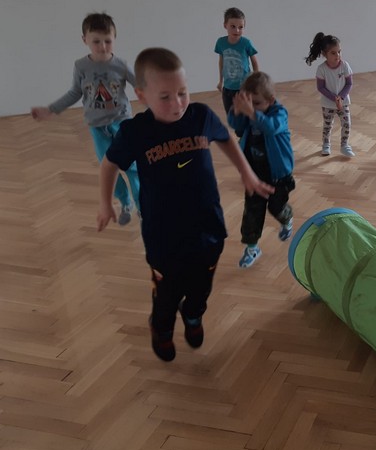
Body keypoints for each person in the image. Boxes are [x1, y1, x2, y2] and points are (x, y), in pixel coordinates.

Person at [96, 48, 274, 362]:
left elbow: (225, 137)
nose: (177, 103)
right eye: (165, 97)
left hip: (208, 227)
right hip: (163, 236)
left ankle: (193, 314)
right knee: (167, 292)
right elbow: (109, 164)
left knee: (201, 286)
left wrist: (246, 172)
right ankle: (161, 328)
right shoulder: (136, 132)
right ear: (142, 96)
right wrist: (105, 203)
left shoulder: (200, 116)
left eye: (182, 92)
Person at [31, 12, 140, 225]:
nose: (103, 46)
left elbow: (141, 86)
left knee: (132, 165)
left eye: (108, 41)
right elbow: (74, 92)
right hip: (97, 126)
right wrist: (51, 110)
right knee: (108, 167)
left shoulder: (121, 65)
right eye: (96, 41)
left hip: (122, 121)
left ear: (114, 38)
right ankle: (125, 201)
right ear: (85, 40)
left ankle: (142, 204)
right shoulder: (81, 66)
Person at [227, 72, 295, 269]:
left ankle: (286, 217)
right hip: (255, 175)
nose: (253, 107)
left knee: (276, 207)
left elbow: (271, 128)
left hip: (278, 175)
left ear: (270, 100)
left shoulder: (279, 113)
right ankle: (252, 248)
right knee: (252, 212)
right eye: (249, 103)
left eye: (256, 103)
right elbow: (235, 125)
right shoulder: (251, 113)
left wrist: (251, 112)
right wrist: (237, 110)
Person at [304, 32, 355, 157]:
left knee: (347, 124)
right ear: (324, 54)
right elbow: (320, 87)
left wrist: (341, 97)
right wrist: (334, 98)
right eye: (333, 53)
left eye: (339, 51)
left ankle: (344, 145)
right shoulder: (321, 69)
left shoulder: (345, 65)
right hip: (328, 104)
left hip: (343, 102)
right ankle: (326, 145)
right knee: (327, 125)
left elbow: (349, 83)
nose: (338, 55)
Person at [214, 7, 260, 114]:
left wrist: (256, 81)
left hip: (244, 88)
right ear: (225, 25)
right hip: (228, 88)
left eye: (241, 27)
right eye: (233, 26)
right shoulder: (221, 42)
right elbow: (221, 62)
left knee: (246, 114)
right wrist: (220, 81)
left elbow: (255, 62)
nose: (237, 30)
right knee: (231, 114)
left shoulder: (246, 43)